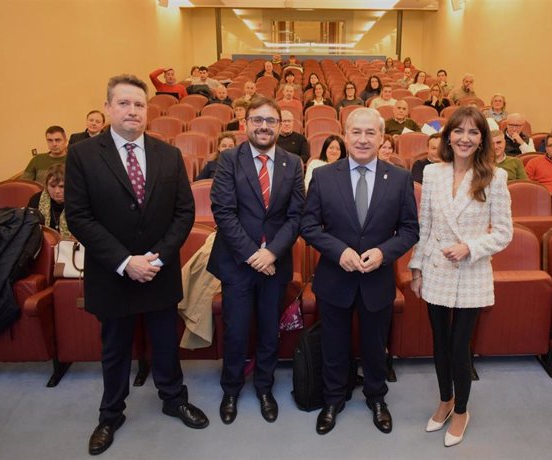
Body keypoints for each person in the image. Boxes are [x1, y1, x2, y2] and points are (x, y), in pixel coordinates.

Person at [65, 74, 208, 456]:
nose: (132, 111)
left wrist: (157, 257)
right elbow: (78, 217)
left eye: (139, 104)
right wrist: (125, 261)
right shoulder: (83, 155)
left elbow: (183, 213)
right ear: (109, 108)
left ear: (149, 110)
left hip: (159, 269)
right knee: (114, 348)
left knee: (165, 342)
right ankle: (110, 414)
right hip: (113, 273)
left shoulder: (168, 154)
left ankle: (173, 398)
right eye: (124, 103)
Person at [300, 107, 419, 436]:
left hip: (377, 280)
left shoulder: (399, 178)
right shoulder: (324, 176)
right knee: (334, 344)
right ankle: (333, 399)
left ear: (382, 137)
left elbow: (410, 230)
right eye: (356, 132)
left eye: (371, 133)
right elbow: (308, 226)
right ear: (345, 134)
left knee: (374, 345)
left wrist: (384, 252)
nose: (363, 139)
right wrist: (339, 251)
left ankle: (377, 398)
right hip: (335, 278)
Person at [408, 106, 513, 448]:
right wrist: (417, 267)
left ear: (482, 138)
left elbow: (504, 233)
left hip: (470, 271)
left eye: (473, 132)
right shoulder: (434, 173)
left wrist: (469, 246)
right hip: (437, 269)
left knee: (458, 348)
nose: (465, 138)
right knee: (438, 343)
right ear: (447, 136)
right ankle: (444, 400)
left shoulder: (495, 177)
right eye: (459, 131)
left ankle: (462, 410)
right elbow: (425, 226)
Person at [208, 96, 304, 426]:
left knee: (268, 331)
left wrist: (271, 253)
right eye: (257, 120)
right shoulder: (229, 160)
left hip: (275, 263)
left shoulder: (294, 163)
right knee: (235, 330)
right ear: (245, 124)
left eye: (271, 121)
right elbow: (223, 212)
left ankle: (265, 387)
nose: (264, 126)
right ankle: (231, 389)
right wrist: (253, 255)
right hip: (237, 263)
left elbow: (296, 216)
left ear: (280, 126)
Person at [27, 164, 71, 239]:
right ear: (46, 186)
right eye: (52, 186)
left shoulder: (81, 202)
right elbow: (29, 230)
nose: (57, 191)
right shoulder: (36, 200)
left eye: (62, 186)